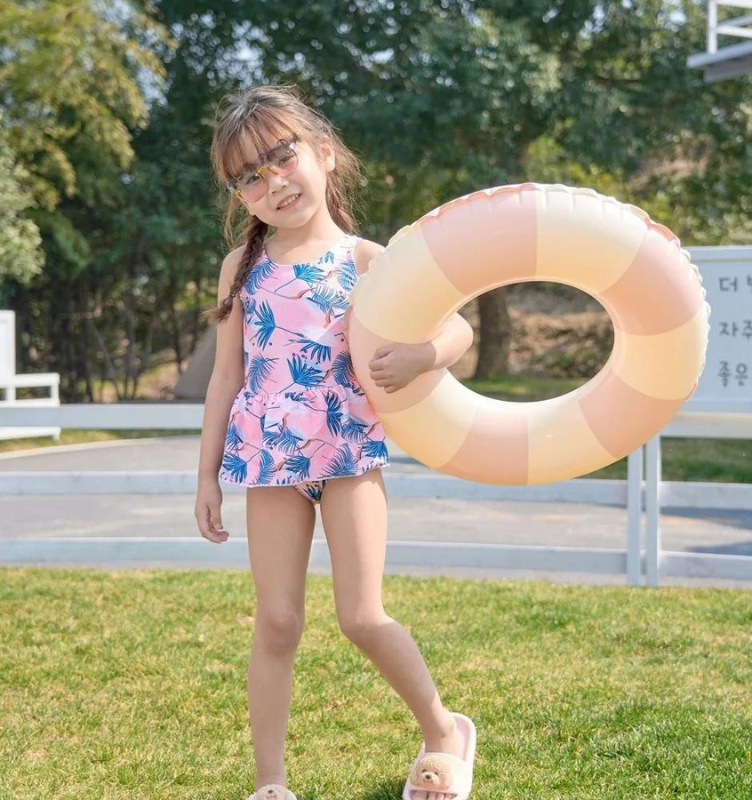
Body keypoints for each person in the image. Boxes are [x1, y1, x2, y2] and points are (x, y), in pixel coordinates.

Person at [194, 83, 476, 800]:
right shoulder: (241, 269)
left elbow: (457, 329)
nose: (271, 183)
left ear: (323, 154)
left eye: (280, 158)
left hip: (350, 457)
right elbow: (225, 380)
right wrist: (206, 479)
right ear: (239, 196)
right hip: (271, 466)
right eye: (247, 177)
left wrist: (423, 355)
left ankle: (445, 730)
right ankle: (270, 783)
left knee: (360, 615)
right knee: (278, 620)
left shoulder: (366, 259)